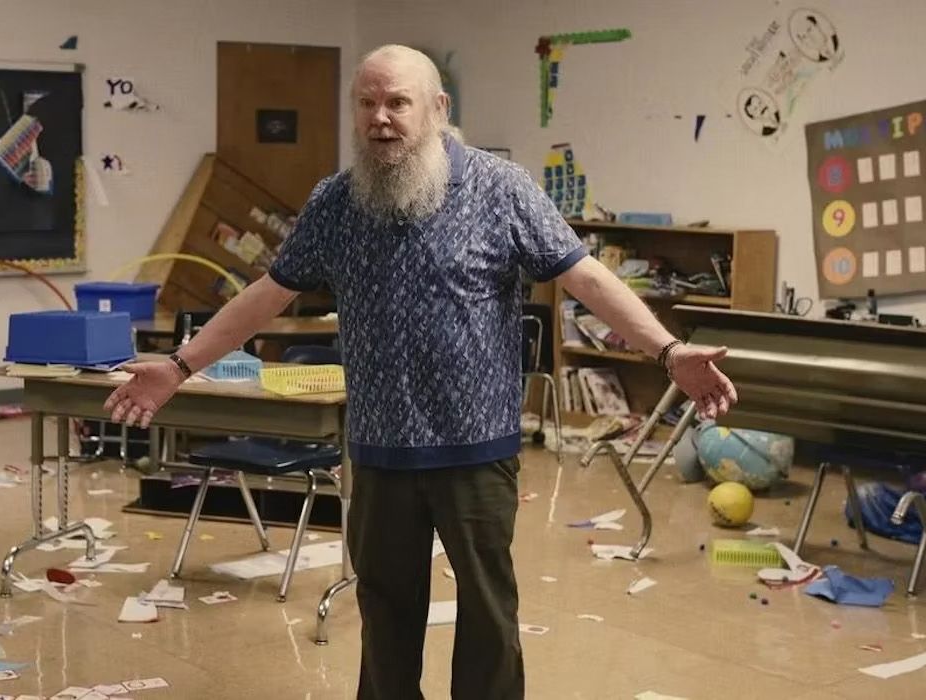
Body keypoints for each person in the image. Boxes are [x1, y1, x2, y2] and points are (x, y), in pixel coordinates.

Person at [104, 44, 737, 700]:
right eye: (368, 102)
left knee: (489, 616)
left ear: (437, 109)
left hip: (475, 451)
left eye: (398, 102)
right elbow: (269, 292)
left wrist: (666, 351)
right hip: (380, 452)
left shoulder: (500, 188)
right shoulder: (336, 203)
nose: (381, 117)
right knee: (386, 616)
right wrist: (179, 366)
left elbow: (584, 275)